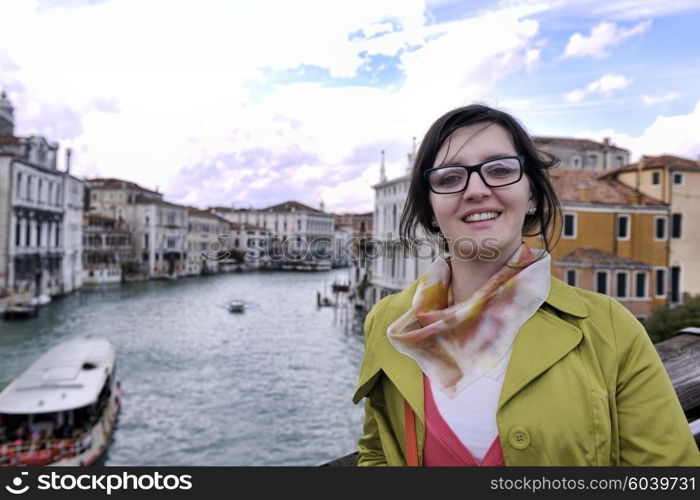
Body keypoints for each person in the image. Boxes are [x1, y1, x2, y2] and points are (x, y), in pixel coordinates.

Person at [353, 104, 700, 466]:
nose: (475, 189)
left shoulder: (610, 328)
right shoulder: (387, 322)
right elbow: (378, 451)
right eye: (450, 178)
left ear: (532, 194)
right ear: (431, 207)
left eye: (500, 170)